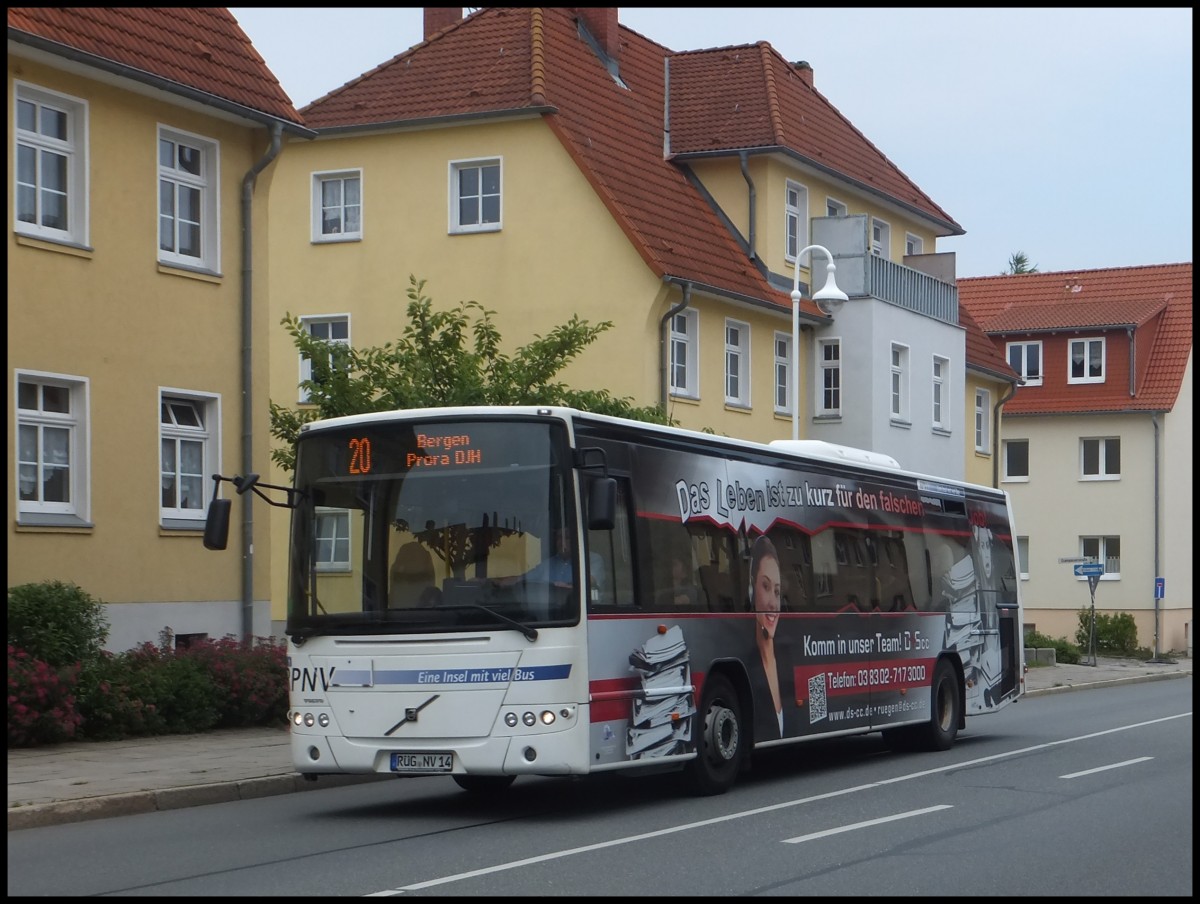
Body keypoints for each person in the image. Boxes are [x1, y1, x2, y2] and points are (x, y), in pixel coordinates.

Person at [747, 534, 785, 738]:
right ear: (751, 589)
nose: (772, 603)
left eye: (777, 592)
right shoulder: (747, 663)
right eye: (766, 586)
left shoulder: (788, 659)